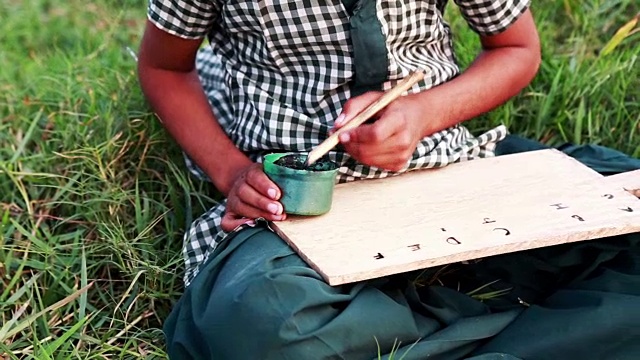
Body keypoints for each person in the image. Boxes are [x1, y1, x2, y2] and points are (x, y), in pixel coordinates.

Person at [136, 0, 640, 358]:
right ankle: (541, 323)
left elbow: (516, 48)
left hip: (443, 165)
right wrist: (230, 173)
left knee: (625, 211)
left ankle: (398, 323)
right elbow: (164, 66)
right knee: (262, 321)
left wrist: (420, 114)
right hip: (290, 205)